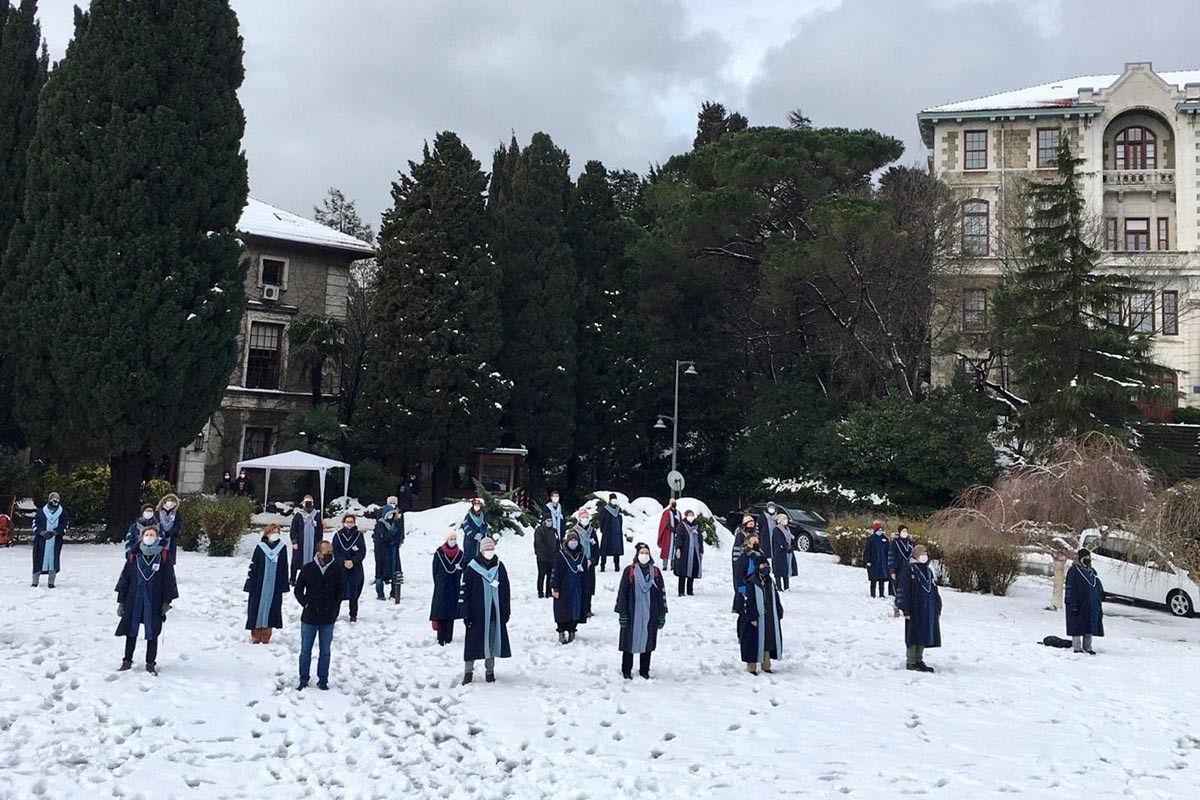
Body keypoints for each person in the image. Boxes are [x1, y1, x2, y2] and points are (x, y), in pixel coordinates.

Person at [115, 526, 178, 674]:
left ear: (157, 538)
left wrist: (167, 601)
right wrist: (121, 601)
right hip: (134, 598)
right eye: (147, 534)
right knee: (131, 630)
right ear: (142, 537)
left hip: (154, 599)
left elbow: (169, 579)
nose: (149, 536)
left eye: (152, 535)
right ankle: (127, 660)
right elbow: (125, 578)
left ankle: (150, 663)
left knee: (153, 631)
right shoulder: (134, 554)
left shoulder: (163, 555)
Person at [458, 536, 511, 684]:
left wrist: (506, 611)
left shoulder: (499, 567)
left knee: (491, 642)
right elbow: (464, 592)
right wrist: (465, 613)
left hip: (494, 613)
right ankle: (468, 672)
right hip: (476, 615)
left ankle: (490, 671)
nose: (489, 551)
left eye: (491, 549)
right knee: (472, 643)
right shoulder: (471, 568)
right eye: (487, 549)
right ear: (481, 551)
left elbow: (505, 590)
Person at [293, 540, 344, 690]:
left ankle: (323, 680)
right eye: (326, 553)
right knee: (305, 650)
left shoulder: (336, 569)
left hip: (328, 617)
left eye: (331, 552)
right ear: (318, 553)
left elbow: (340, 592)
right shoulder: (308, 568)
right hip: (310, 617)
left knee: (325, 651)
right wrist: (305, 603)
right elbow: (298, 590)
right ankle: (303, 679)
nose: (329, 555)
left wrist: (334, 609)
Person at [616, 543, 668, 679]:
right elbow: (623, 592)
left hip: (650, 613)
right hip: (632, 612)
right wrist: (622, 612)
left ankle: (644, 670)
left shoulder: (655, 572)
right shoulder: (630, 571)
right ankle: (626, 669)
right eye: (642, 552)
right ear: (637, 555)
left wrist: (662, 614)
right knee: (629, 641)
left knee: (648, 641)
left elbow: (661, 593)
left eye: (646, 552)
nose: (644, 555)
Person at [894, 544, 942, 672]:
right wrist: (905, 608)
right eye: (922, 553)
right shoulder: (909, 570)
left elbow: (933, 589)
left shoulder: (928, 571)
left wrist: (937, 605)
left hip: (927, 609)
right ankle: (911, 660)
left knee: (923, 634)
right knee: (913, 634)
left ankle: (919, 660)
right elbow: (903, 590)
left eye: (926, 553)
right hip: (914, 608)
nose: (924, 556)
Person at [736, 544, 783, 675]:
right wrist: (752, 617)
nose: (765, 568)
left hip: (767, 618)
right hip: (755, 619)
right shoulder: (751, 582)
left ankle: (766, 665)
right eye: (762, 566)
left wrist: (779, 611)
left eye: (766, 566)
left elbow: (775, 598)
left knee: (767, 642)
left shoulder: (770, 581)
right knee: (753, 643)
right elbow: (749, 602)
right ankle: (751, 667)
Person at [244, 523, 289, 643]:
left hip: (274, 585)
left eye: (277, 532)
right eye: (273, 532)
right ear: (267, 533)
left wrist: (284, 585)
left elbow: (284, 567)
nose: (275, 534)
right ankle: (255, 633)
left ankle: (266, 632)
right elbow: (254, 566)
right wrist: (250, 584)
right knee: (256, 608)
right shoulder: (260, 548)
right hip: (259, 584)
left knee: (272, 608)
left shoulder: (282, 548)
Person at [551, 529, 589, 644]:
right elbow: (555, 572)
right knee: (562, 610)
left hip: (577, 588)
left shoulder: (581, 556)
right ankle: (561, 631)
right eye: (571, 540)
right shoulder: (561, 555)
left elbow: (585, 574)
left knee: (576, 610)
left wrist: (586, 587)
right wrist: (555, 587)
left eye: (575, 540)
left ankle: (572, 630)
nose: (573, 542)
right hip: (564, 587)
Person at [1065, 548, 1104, 655]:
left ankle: (1088, 647)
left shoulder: (1092, 573)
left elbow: (1096, 587)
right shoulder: (1074, 571)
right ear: (1080, 559)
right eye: (1085, 558)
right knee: (1077, 625)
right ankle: (1077, 647)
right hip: (1078, 603)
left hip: (1090, 604)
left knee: (1089, 626)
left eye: (1089, 558)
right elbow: (1070, 588)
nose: (1087, 560)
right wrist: (1072, 603)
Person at [431, 529, 464, 646]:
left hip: (454, 586)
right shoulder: (439, 553)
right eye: (451, 539)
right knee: (441, 611)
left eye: (454, 539)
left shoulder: (460, 554)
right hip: (442, 586)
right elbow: (434, 570)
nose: (453, 541)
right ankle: (441, 637)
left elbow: (462, 569)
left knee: (451, 612)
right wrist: (439, 582)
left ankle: (449, 637)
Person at [332, 514, 366, 622]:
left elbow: (362, 551)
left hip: (355, 568)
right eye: (347, 521)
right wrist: (342, 561)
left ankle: (353, 614)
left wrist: (353, 561)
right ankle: (334, 614)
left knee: (354, 591)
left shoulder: (359, 535)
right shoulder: (338, 536)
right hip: (341, 568)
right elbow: (335, 552)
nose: (349, 524)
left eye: (351, 522)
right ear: (343, 523)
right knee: (338, 591)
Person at [32, 492, 69, 588]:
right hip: (41, 541)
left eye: (57, 498)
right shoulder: (41, 512)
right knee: (38, 560)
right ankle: (35, 581)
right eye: (53, 498)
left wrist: (55, 532)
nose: (55, 500)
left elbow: (65, 525)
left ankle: (51, 582)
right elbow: (35, 524)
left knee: (53, 561)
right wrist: (42, 533)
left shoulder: (63, 513)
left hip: (55, 541)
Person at [373, 498, 405, 601]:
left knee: (395, 569)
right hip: (381, 551)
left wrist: (396, 539)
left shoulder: (396, 522)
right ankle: (380, 594)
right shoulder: (380, 524)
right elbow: (383, 537)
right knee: (380, 571)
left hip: (393, 550)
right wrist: (392, 532)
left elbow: (398, 535)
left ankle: (395, 592)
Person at [570, 510, 599, 617]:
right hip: (579, 563)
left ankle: (588, 608)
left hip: (589, 563)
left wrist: (592, 560)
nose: (585, 519)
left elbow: (596, 548)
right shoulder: (574, 532)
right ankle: (579, 608)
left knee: (589, 586)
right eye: (583, 517)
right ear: (579, 519)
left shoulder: (592, 532)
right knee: (579, 586)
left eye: (587, 517)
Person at [289, 495, 324, 586]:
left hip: (313, 542)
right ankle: (293, 579)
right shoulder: (298, 515)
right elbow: (293, 529)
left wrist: (320, 543)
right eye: (306, 502)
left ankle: (312, 577)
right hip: (300, 542)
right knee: (296, 560)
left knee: (314, 560)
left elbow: (320, 530)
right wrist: (294, 541)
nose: (308, 504)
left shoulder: (317, 515)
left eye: (310, 502)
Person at [673, 508, 704, 596]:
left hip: (694, 552)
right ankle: (681, 591)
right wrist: (678, 548)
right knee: (683, 571)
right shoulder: (681, 526)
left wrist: (701, 551)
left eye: (692, 515)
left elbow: (700, 539)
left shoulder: (697, 526)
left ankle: (690, 590)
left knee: (692, 570)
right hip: (684, 552)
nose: (691, 517)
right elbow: (678, 537)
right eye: (689, 515)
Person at [730, 515, 755, 611]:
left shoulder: (755, 535)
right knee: (740, 585)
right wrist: (736, 562)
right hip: (741, 562)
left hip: (751, 562)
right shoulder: (740, 535)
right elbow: (736, 550)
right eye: (749, 524)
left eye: (752, 524)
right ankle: (737, 606)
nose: (751, 526)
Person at [598, 494, 626, 572]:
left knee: (616, 550)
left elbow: (620, 520)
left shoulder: (618, 509)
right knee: (604, 550)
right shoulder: (605, 509)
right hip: (607, 532)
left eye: (615, 499)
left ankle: (617, 565)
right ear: (609, 500)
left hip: (616, 532)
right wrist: (603, 529)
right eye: (612, 499)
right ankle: (602, 565)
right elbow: (601, 520)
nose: (614, 501)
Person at [533, 512, 558, 599]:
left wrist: (556, 552)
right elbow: (539, 544)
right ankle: (540, 591)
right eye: (548, 520)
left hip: (552, 557)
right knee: (542, 574)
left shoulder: (554, 531)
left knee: (550, 575)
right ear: (544, 521)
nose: (549, 522)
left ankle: (548, 591)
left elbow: (557, 542)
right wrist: (548, 552)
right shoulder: (539, 531)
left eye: (551, 520)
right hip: (542, 557)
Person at [863, 521, 891, 598]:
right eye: (878, 530)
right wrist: (868, 560)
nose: (880, 531)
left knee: (882, 579)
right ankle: (873, 594)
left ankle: (881, 594)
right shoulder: (871, 539)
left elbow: (888, 551)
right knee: (873, 579)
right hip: (874, 562)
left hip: (883, 562)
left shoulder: (885, 539)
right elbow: (867, 550)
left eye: (881, 530)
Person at [769, 512, 794, 592]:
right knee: (778, 570)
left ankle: (787, 586)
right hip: (778, 552)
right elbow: (779, 540)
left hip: (786, 552)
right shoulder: (777, 529)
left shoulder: (787, 529)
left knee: (786, 570)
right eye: (784, 519)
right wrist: (785, 546)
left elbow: (790, 537)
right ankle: (779, 586)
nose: (785, 521)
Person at [155, 493, 183, 561]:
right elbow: (155, 523)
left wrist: (170, 533)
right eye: (169, 500)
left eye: (172, 501)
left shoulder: (177, 513)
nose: (170, 502)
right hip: (159, 537)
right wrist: (161, 532)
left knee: (169, 559)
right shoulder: (158, 512)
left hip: (171, 539)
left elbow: (178, 525)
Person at [461, 497, 488, 562]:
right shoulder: (469, 516)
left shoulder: (482, 516)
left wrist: (482, 534)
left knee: (480, 555)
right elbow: (466, 525)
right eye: (476, 506)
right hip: (470, 540)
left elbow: (485, 525)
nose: (477, 507)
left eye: (478, 506)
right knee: (469, 555)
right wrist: (474, 534)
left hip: (480, 540)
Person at [657, 498, 681, 569]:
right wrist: (671, 529)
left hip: (676, 534)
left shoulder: (678, 513)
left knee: (675, 549)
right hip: (668, 534)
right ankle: (665, 565)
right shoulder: (666, 512)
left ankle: (673, 565)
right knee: (666, 549)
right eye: (672, 502)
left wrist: (678, 530)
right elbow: (664, 523)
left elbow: (681, 522)